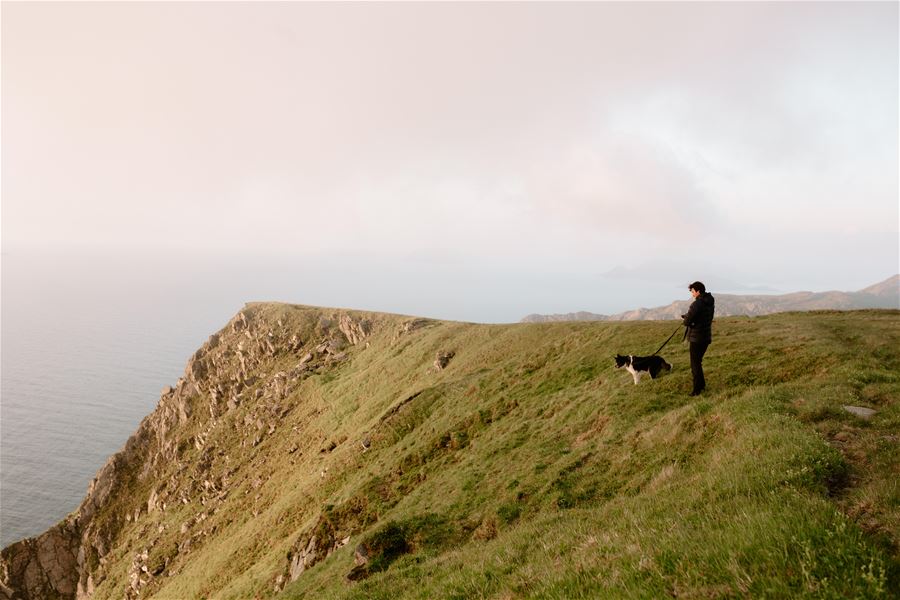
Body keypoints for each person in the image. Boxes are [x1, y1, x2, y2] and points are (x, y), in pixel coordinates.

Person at [681, 281, 715, 396]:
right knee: (698, 362)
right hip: (706, 337)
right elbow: (703, 317)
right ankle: (702, 385)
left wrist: (686, 318)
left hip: (697, 338)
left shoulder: (696, 304)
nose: (692, 294)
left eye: (692, 291)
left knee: (695, 365)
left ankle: (697, 390)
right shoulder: (709, 302)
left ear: (698, 291)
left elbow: (686, 322)